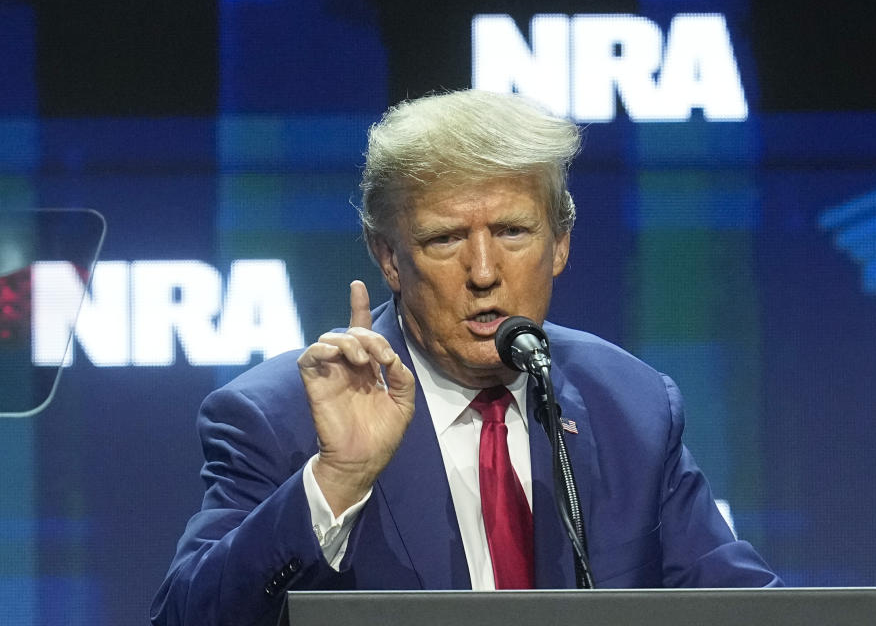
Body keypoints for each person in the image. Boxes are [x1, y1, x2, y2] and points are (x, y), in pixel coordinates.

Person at [151, 90, 781, 626]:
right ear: (389, 257)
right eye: (445, 238)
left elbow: (740, 601)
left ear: (559, 242)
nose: (484, 273)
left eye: (512, 232)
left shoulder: (632, 404)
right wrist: (337, 479)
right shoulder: (280, 415)